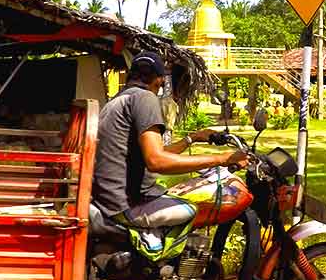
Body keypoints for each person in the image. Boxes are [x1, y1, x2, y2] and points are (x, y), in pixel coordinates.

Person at [90, 51, 247, 244]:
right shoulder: (145, 98)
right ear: (159, 80)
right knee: (195, 208)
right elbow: (157, 161)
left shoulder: (118, 100)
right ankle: (164, 264)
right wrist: (224, 159)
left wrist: (192, 138)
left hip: (109, 200)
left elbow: (156, 152)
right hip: (126, 204)